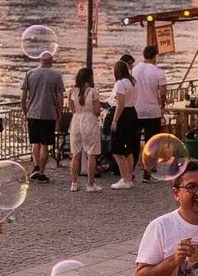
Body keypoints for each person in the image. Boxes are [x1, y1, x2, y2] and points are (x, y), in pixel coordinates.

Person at [21, 51, 64, 182]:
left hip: (32, 113)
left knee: (35, 142)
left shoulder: (30, 74)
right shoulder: (56, 76)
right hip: (48, 114)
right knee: (45, 144)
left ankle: (36, 167)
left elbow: (23, 97)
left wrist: (25, 111)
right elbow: (60, 99)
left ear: (40, 60)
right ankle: (41, 172)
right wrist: (59, 113)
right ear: (51, 61)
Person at [132, 44, 167, 180]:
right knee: (151, 143)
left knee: (134, 141)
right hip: (153, 112)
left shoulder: (134, 70)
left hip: (136, 110)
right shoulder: (158, 72)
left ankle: (131, 170)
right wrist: (162, 105)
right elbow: (163, 92)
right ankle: (148, 172)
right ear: (155, 56)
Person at [68, 66, 103, 192]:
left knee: (75, 154)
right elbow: (97, 110)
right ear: (90, 78)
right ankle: (90, 184)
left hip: (76, 120)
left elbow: (71, 108)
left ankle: (74, 183)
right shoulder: (93, 91)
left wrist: (79, 112)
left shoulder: (73, 91)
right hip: (89, 121)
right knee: (91, 154)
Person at [109, 57, 139, 189]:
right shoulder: (133, 82)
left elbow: (120, 104)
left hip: (123, 115)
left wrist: (114, 121)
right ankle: (129, 176)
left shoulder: (120, 84)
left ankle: (125, 178)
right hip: (132, 112)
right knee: (129, 149)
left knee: (117, 149)